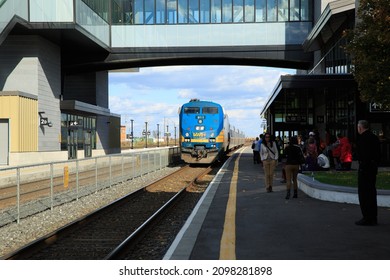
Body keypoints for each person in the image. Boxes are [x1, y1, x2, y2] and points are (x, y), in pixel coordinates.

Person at [355, 120, 381, 226]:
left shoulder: (362, 139)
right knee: (371, 192)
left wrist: (362, 166)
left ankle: (367, 217)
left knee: (364, 193)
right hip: (372, 168)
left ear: (360, 128)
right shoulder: (374, 138)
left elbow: (363, 155)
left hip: (365, 169)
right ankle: (373, 217)